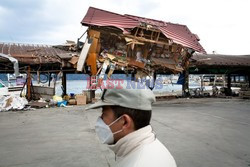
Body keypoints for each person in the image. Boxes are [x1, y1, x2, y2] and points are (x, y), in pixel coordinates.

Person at [86, 87, 177, 167]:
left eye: (104, 114)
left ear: (125, 122)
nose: (100, 119)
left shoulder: (139, 163)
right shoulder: (149, 146)